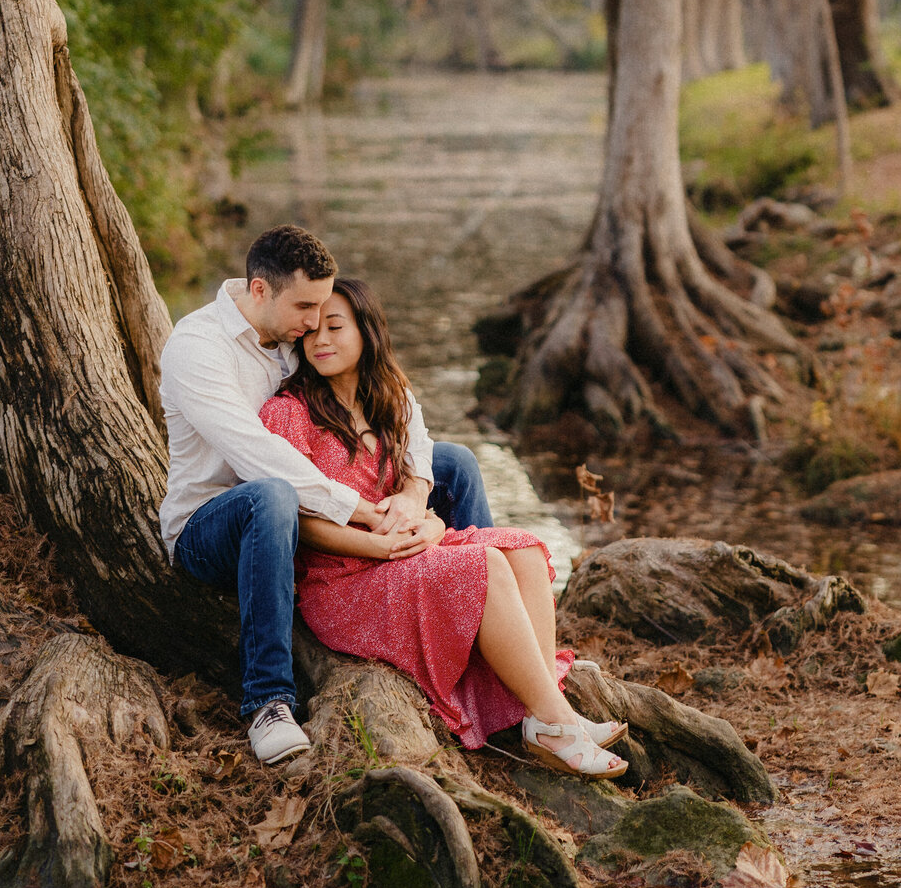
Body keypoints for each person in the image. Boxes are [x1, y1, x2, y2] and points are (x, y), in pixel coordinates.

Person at [260, 277, 628, 777]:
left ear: (366, 332)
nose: (320, 340)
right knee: (487, 565)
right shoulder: (288, 413)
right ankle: (556, 722)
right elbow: (303, 526)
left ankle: (545, 707)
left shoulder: (387, 401)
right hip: (342, 580)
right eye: (311, 332)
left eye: (335, 327)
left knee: (522, 547)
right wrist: (382, 547)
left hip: (401, 555)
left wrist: (431, 528)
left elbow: (418, 485)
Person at [159, 225, 493, 766]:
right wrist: (364, 512)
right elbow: (258, 457)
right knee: (269, 497)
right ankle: (268, 700)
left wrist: (413, 491)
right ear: (260, 291)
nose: (315, 324)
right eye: (306, 306)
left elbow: (389, 390)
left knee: (452, 461)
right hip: (212, 525)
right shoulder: (198, 348)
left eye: (323, 309)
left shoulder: (290, 332)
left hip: (304, 513)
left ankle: (503, 632)